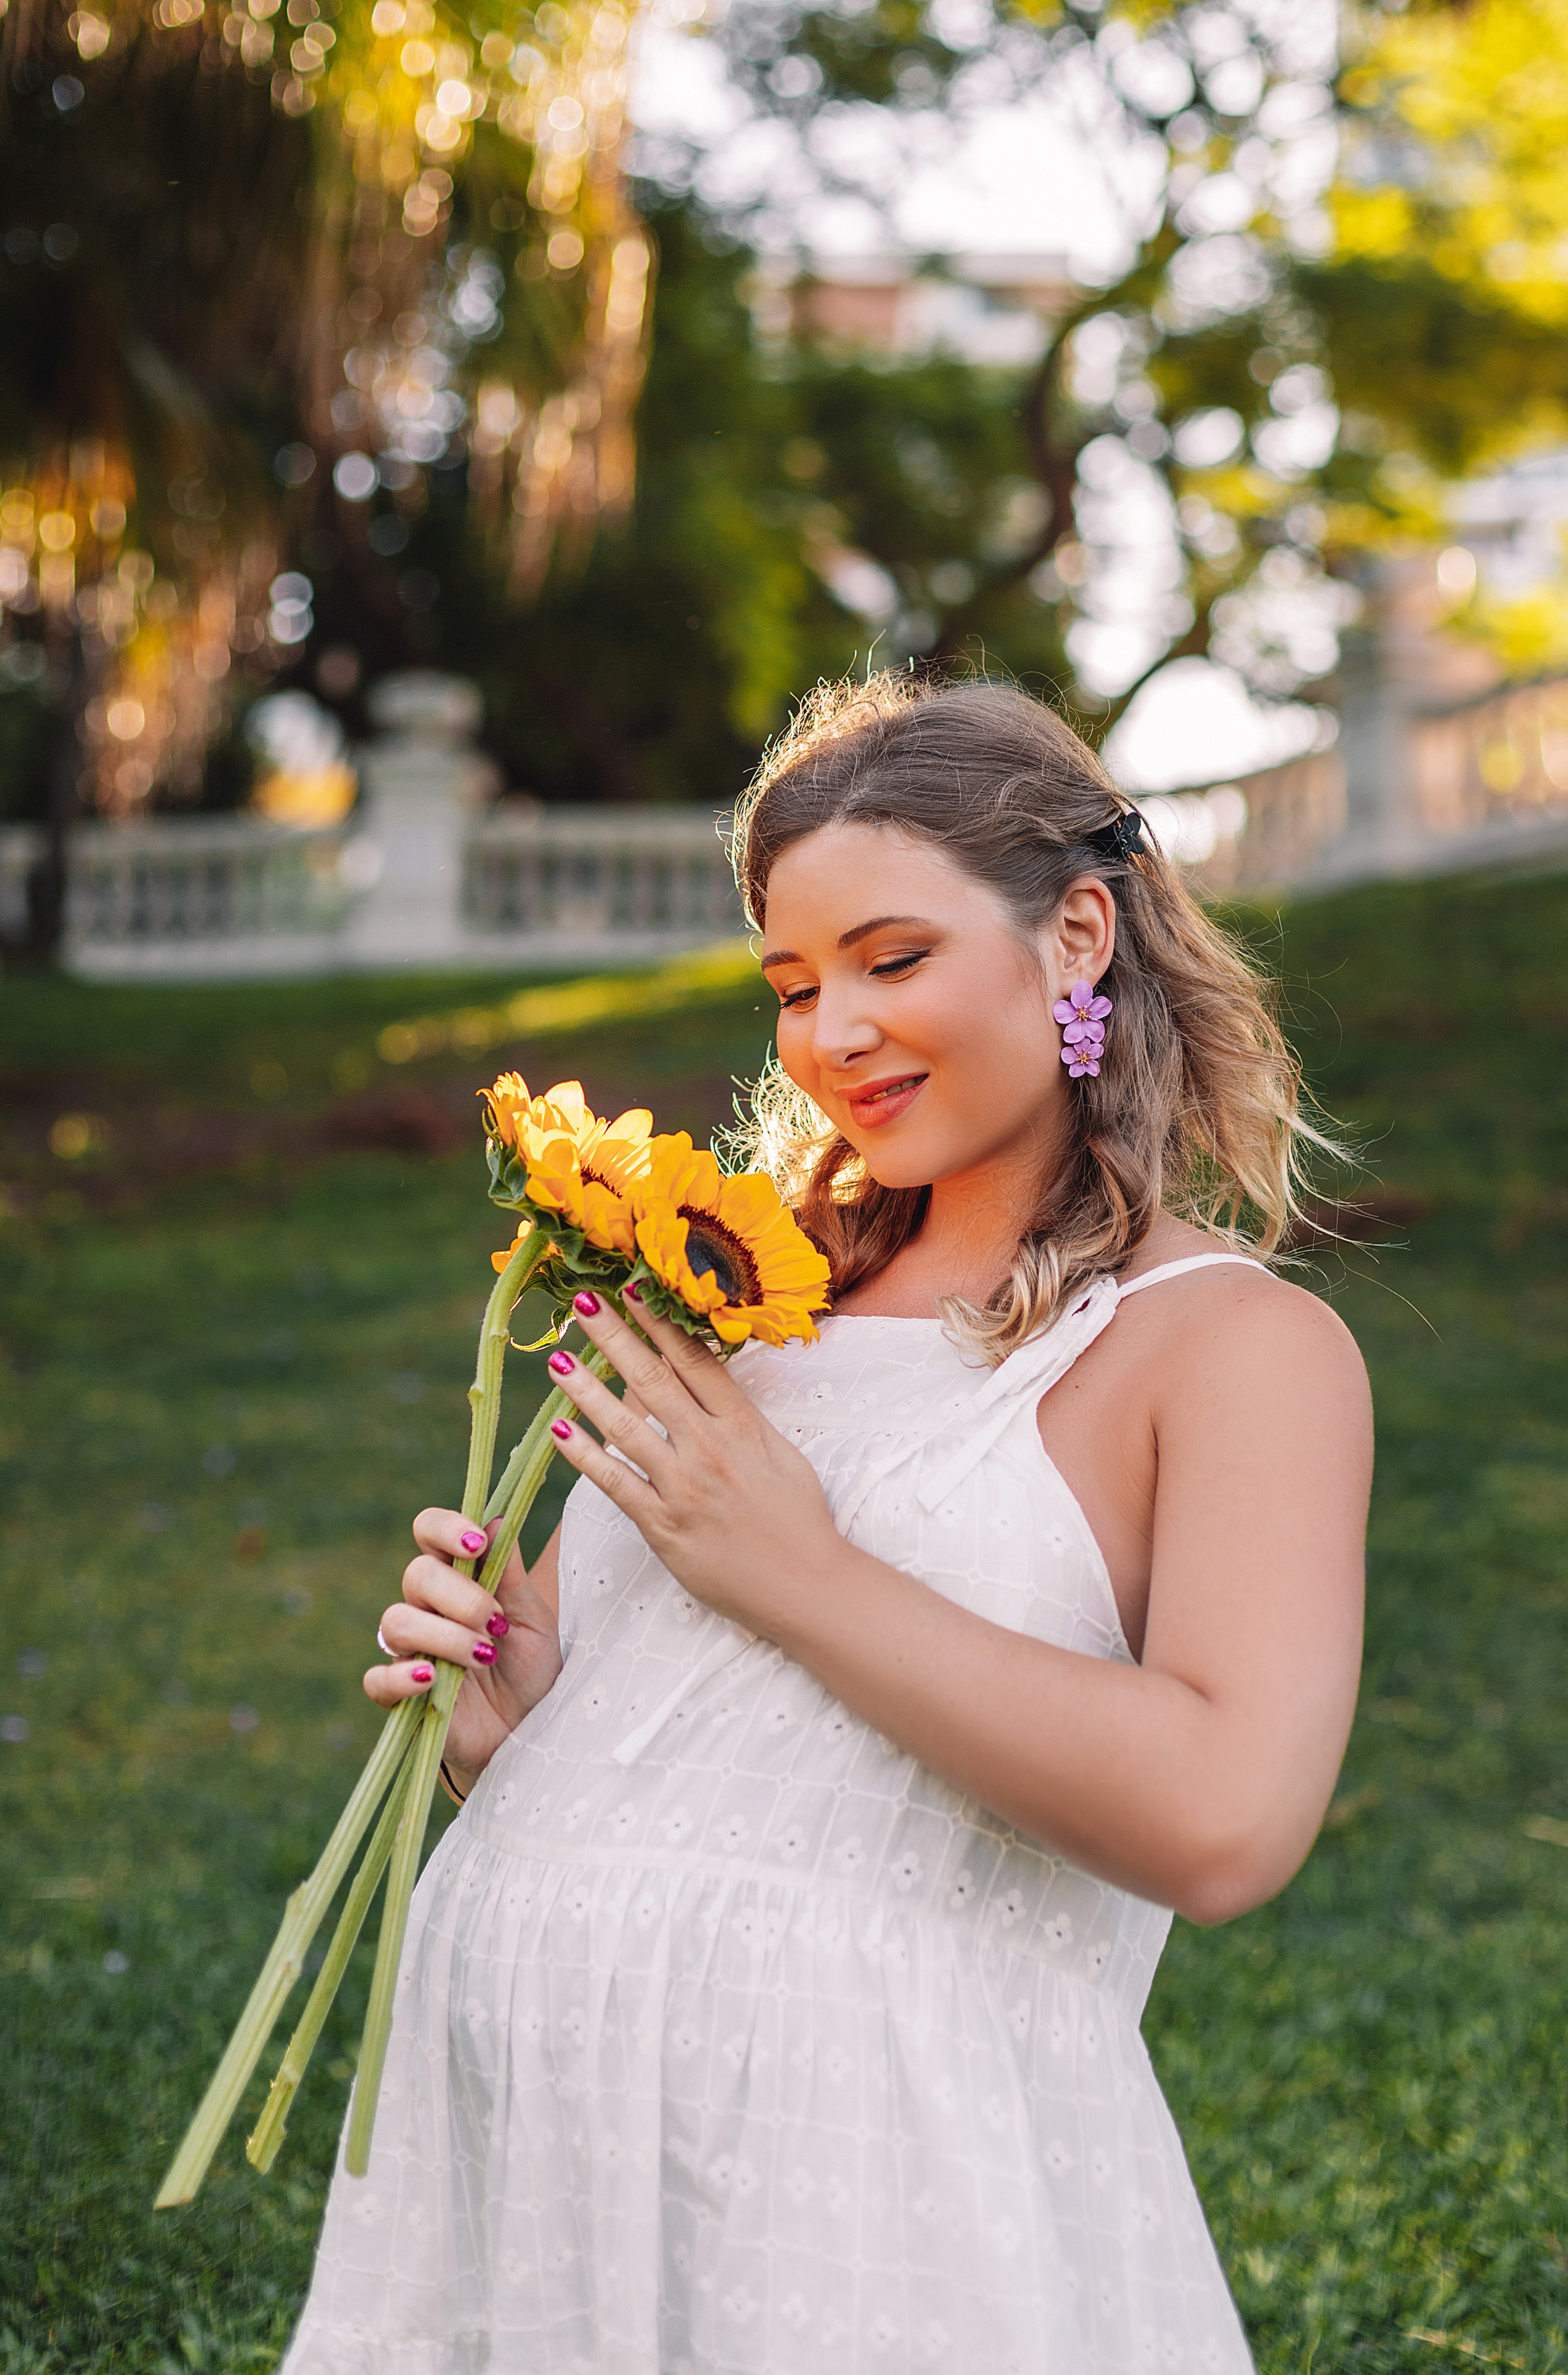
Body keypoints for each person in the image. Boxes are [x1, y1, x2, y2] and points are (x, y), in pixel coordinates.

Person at [282, 674, 1371, 2374]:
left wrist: (802, 1579)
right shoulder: (740, 1303)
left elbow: (1226, 1821)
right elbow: (704, 1776)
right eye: (793, 985)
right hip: (536, 2155)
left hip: (873, 2204)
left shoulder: (1232, 1346)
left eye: (892, 959)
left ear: (1077, 936)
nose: (831, 1034)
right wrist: (517, 1724)